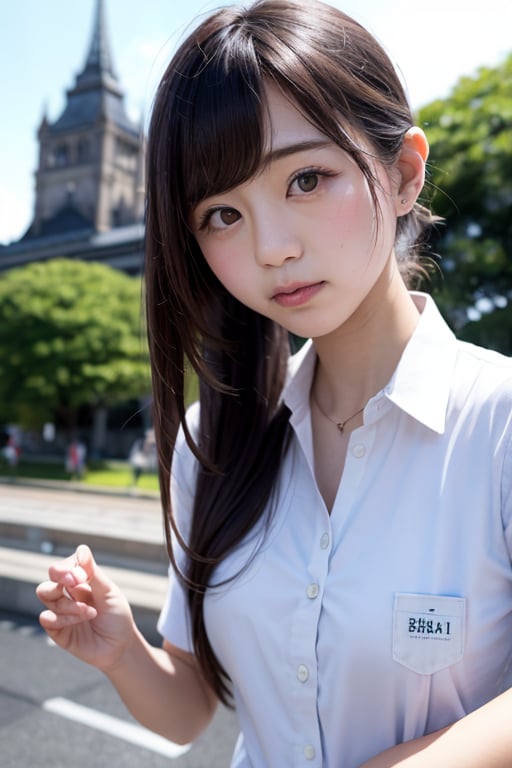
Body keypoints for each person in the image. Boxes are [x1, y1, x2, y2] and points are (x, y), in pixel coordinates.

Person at [36, 1, 512, 765]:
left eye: (307, 178)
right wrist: (122, 648)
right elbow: (190, 710)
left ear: (403, 174)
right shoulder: (213, 444)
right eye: (222, 214)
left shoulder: (497, 425)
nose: (271, 248)